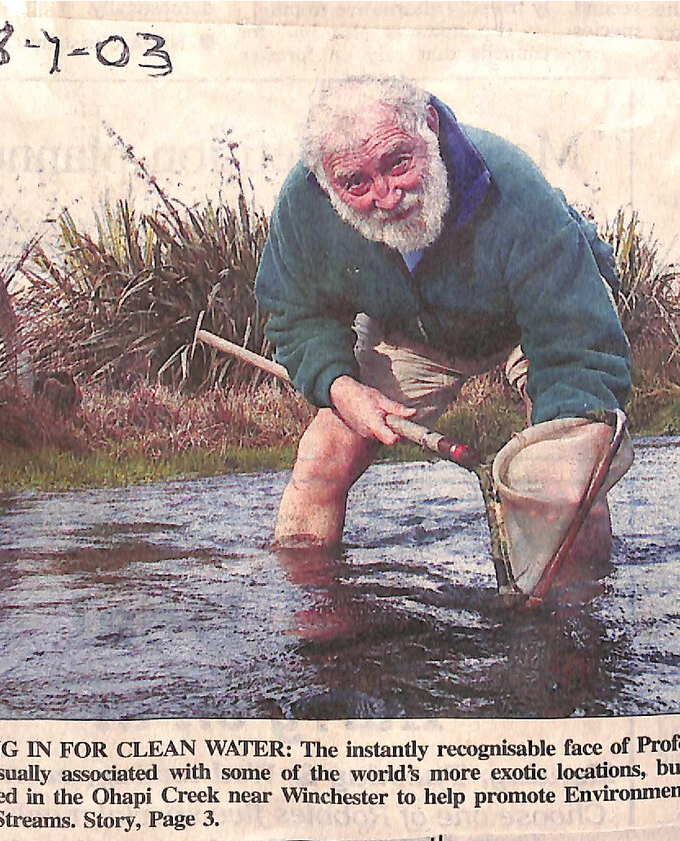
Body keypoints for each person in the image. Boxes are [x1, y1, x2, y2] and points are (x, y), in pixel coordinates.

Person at [255, 76, 631, 561]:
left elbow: (578, 347)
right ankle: (315, 617)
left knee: (573, 483)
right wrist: (341, 389)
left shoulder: (513, 186)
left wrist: (564, 460)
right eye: (356, 183)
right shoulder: (304, 202)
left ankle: (581, 617)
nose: (387, 196)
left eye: (397, 162)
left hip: (535, 323)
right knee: (321, 461)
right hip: (416, 335)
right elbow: (295, 313)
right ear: (328, 183)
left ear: (428, 127)